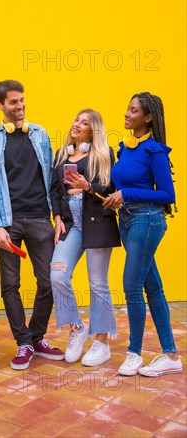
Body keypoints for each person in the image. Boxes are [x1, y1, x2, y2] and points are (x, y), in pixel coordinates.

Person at [0, 80, 64, 370]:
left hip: (41, 218)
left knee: (49, 281)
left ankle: (37, 336)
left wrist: (57, 215)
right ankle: (23, 342)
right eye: (14, 102)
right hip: (9, 222)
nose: (20, 106)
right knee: (10, 285)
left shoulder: (39, 134)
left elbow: (52, 179)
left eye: (22, 100)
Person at [103, 92, 182, 377]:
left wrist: (127, 194)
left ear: (147, 117)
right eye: (127, 107)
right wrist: (89, 185)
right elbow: (118, 188)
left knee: (132, 286)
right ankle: (171, 355)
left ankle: (134, 353)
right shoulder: (125, 149)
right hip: (127, 220)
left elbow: (167, 194)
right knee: (153, 287)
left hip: (147, 220)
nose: (126, 113)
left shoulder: (154, 151)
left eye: (133, 110)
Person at [50, 109, 120, 366]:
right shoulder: (62, 155)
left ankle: (101, 342)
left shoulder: (103, 154)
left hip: (96, 220)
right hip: (71, 223)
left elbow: (110, 190)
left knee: (97, 282)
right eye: (76, 119)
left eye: (85, 122)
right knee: (57, 274)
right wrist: (57, 217)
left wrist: (87, 186)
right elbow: (55, 190)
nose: (77, 124)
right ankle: (76, 328)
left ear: (94, 130)